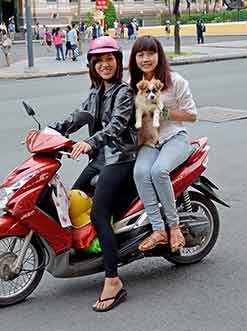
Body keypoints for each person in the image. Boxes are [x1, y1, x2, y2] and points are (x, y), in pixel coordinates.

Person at [49, 36, 136, 312]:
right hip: (100, 159)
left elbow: (117, 127)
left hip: (121, 159)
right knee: (71, 199)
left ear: (118, 62)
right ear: (93, 66)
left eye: (110, 59)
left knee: (98, 213)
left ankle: (113, 280)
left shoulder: (124, 92)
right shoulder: (96, 91)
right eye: (99, 61)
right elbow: (79, 116)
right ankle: (86, 247)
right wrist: (50, 131)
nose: (105, 65)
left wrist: (90, 142)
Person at [129, 35, 197, 254]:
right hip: (150, 141)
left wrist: (165, 112)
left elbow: (192, 115)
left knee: (158, 171)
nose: (146, 59)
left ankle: (174, 227)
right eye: (141, 54)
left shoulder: (175, 81)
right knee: (140, 173)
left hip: (174, 137)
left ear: (159, 55)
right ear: (134, 58)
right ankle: (158, 231)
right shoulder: (133, 85)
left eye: (150, 53)